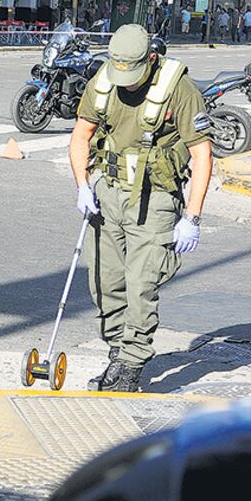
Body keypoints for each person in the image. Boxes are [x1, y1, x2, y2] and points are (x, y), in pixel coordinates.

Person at [68, 23, 213, 393]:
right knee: (105, 282)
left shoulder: (177, 88)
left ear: (150, 58)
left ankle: (131, 367)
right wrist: (83, 185)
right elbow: (81, 135)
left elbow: (202, 153)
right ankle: (116, 354)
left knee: (141, 284)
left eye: (133, 72)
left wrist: (192, 218)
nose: (126, 81)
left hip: (156, 197)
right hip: (110, 193)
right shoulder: (104, 81)